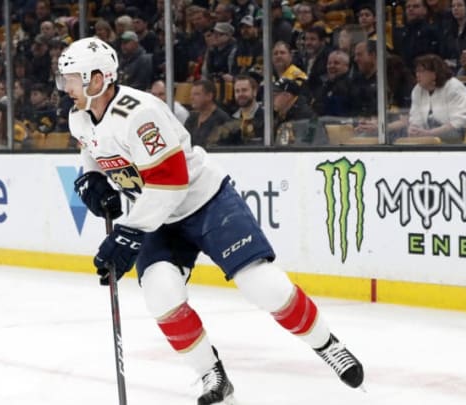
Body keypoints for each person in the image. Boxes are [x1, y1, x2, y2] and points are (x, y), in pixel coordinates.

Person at [58, 37, 364, 405]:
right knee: (161, 295)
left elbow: (170, 183)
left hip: (204, 202)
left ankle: (327, 345)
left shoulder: (141, 114)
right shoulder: (80, 115)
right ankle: (212, 374)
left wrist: (128, 234)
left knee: (262, 284)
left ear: (97, 79)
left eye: (71, 78)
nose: (65, 87)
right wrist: (89, 176)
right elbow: (92, 147)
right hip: (154, 215)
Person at [408, 54, 466, 143]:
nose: (417, 75)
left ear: (434, 73)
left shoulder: (453, 87)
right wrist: (414, 130)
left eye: (421, 71)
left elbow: (458, 123)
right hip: (433, 132)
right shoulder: (417, 90)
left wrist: (429, 133)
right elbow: (415, 119)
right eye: (416, 71)